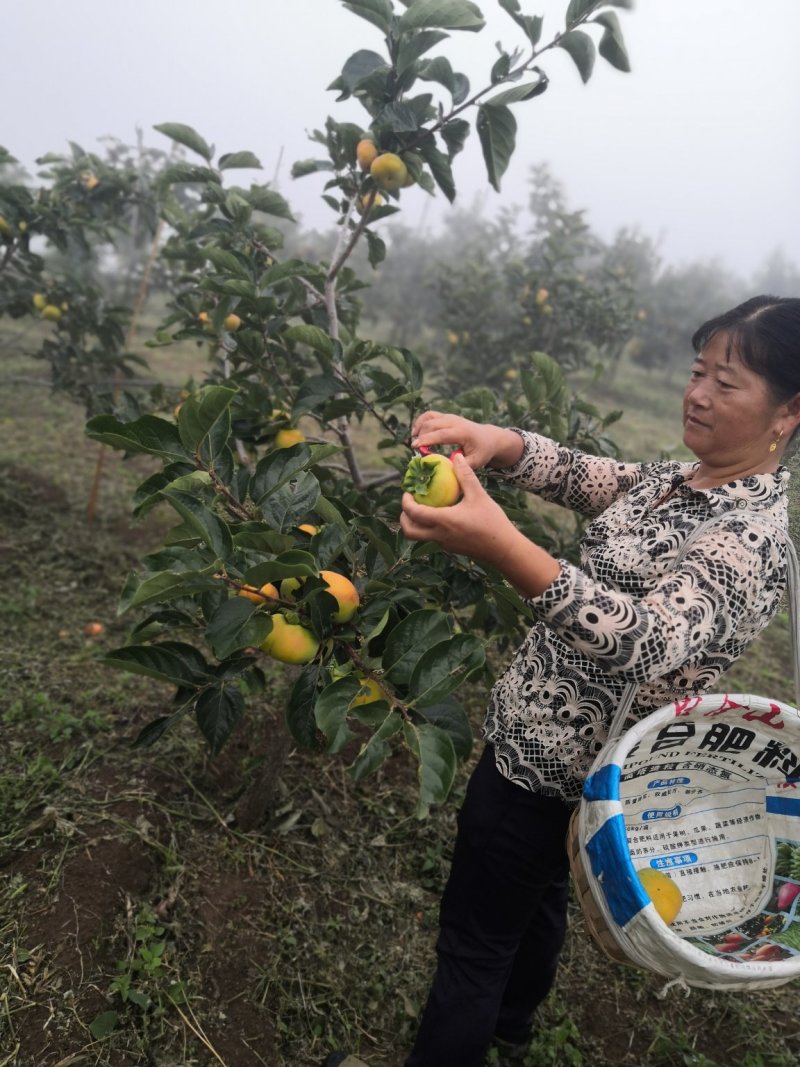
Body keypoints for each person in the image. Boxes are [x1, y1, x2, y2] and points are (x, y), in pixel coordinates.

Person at [389, 295, 800, 1067]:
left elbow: (646, 640)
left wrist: (500, 544)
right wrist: (501, 442)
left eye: (728, 381)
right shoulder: (689, 482)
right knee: (538, 895)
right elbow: (588, 475)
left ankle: (477, 1025)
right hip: (566, 772)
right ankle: (513, 1022)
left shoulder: (746, 538)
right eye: (697, 371)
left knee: (472, 946)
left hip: (549, 769)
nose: (698, 393)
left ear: (789, 412)